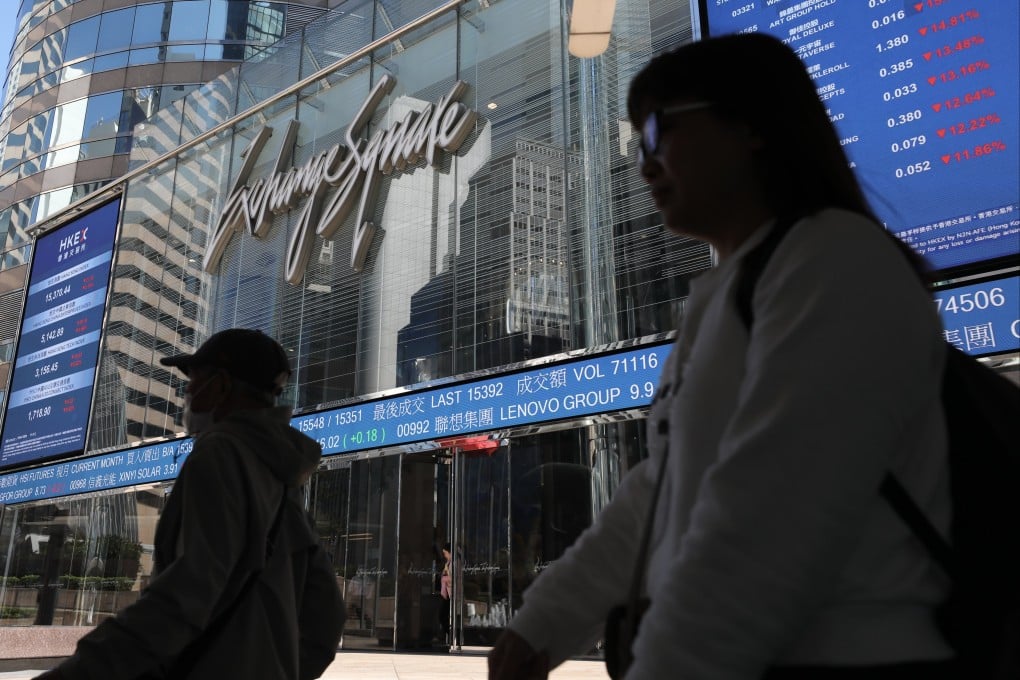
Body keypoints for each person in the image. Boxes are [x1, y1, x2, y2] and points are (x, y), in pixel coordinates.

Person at [489, 33, 954, 680]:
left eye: (658, 130)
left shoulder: (834, 260)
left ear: (750, 125)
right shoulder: (729, 291)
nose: (644, 163)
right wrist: (540, 623)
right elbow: (661, 493)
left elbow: (771, 516)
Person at [35, 328, 344, 680]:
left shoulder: (220, 452)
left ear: (221, 386)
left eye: (194, 382)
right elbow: (326, 613)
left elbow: (186, 593)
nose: (187, 393)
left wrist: (81, 672)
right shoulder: (280, 476)